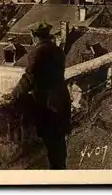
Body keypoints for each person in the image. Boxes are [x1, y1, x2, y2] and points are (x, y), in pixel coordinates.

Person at [6, 21, 72, 169]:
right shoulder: (57, 50)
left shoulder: (37, 52)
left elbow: (29, 78)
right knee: (59, 145)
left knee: (52, 145)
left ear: (33, 36)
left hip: (49, 106)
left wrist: (14, 94)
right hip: (62, 101)